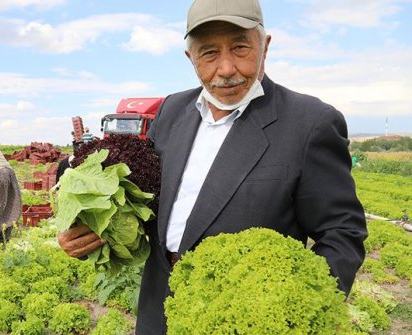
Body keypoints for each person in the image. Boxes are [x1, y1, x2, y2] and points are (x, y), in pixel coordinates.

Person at [57, 0, 368, 333]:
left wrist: (292, 313)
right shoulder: (171, 111)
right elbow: (150, 206)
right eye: (209, 53)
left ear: (265, 46)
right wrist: (92, 229)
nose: (226, 69)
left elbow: (341, 234)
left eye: (240, 47)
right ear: (191, 58)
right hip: (158, 307)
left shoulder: (310, 123)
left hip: (247, 321)